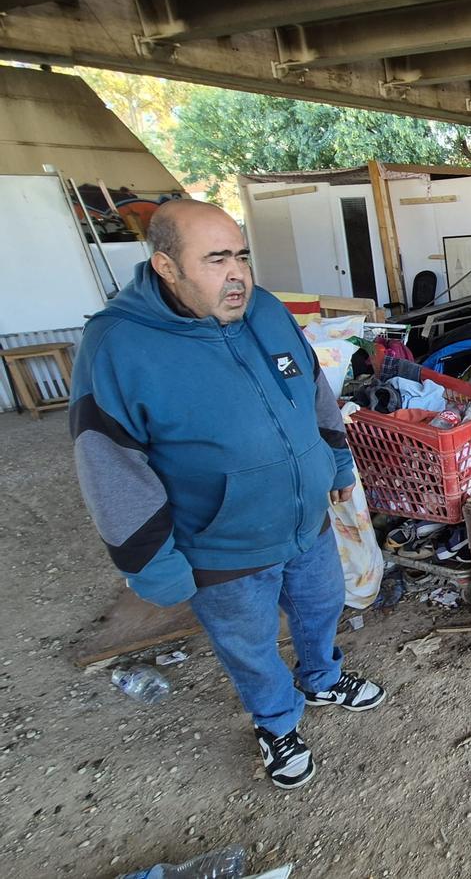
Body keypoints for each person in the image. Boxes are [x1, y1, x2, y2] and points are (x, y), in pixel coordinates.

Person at [70, 199, 384, 790]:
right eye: (216, 260)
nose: (237, 273)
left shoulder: (265, 310)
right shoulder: (118, 345)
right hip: (222, 542)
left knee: (321, 606)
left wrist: (336, 460)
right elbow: (108, 464)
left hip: (303, 521)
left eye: (241, 255)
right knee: (249, 643)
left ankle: (320, 677)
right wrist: (151, 566)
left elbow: (312, 389)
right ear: (166, 266)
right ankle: (277, 722)